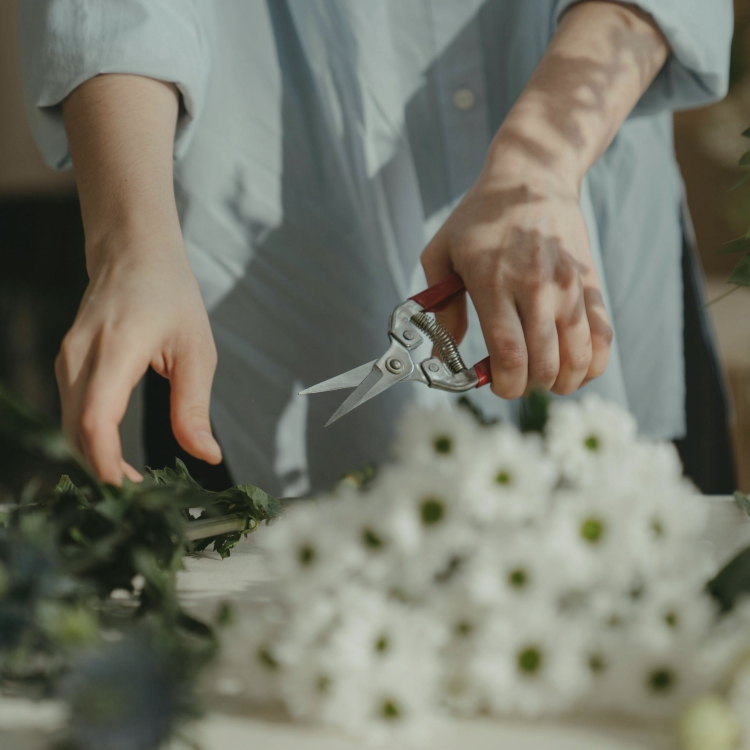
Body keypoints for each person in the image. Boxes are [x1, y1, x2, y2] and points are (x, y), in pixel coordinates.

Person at [19, 1, 733, 496]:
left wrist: (538, 165)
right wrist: (133, 245)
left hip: (585, 220)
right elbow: (114, 12)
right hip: (237, 280)